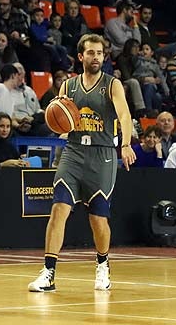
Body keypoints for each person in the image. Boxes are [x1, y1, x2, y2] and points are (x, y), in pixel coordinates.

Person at [28, 34, 135, 293]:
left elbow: (124, 115)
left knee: (98, 219)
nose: (96, 57)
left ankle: (102, 264)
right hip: (74, 151)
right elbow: (56, 117)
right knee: (58, 210)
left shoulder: (113, 85)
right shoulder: (69, 86)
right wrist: (55, 121)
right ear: (81, 57)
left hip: (103, 153)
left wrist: (126, 144)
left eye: (99, 53)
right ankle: (49, 272)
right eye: (91, 52)